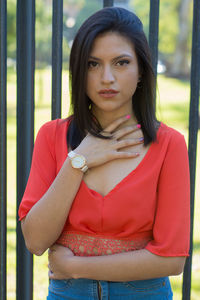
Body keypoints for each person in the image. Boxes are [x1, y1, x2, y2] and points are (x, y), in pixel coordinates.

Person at [18, 7, 190, 300]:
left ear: (141, 72)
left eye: (121, 63)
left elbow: (172, 259)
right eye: (93, 64)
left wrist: (75, 266)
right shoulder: (52, 136)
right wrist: (78, 161)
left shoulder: (169, 145)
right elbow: (35, 240)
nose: (106, 77)